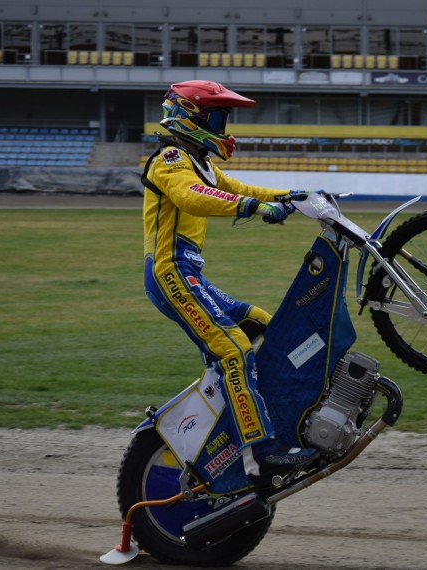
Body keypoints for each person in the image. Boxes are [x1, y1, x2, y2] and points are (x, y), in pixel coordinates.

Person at [141, 80, 318, 477]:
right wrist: (253, 207)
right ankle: (257, 454)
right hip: (170, 273)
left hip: (190, 275)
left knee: (261, 324)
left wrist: (292, 196)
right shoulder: (169, 158)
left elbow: (240, 187)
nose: (223, 129)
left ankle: (261, 417)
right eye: (217, 118)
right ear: (190, 117)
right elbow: (190, 196)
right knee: (234, 350)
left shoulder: (199, 161)